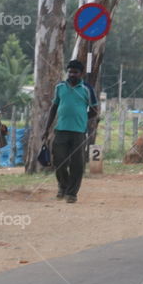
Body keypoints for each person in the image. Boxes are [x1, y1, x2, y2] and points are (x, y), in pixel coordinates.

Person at [43, 59, 98, 203]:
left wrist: (82, 117)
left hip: (79, 132)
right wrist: (46, 128)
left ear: (81, 74)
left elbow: (94, 110)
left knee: (77, 163)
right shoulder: (60, 87)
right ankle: (63, 186)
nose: (72, 75)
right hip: (60, 130)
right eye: (70, 72)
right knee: (59, 160)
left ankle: (72, 193)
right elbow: (54, 108)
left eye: (75, 72)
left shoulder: (87, 89)